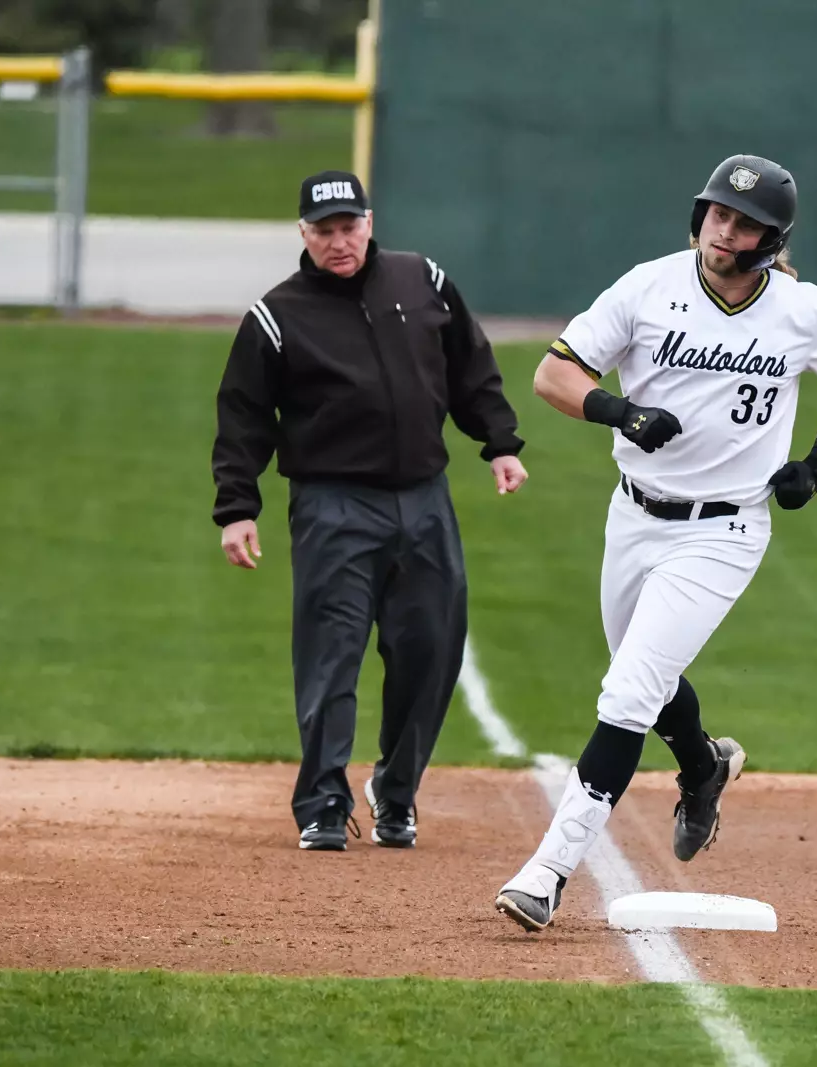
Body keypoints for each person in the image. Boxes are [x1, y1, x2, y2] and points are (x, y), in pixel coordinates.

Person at [494, 154, 817, 931]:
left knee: (629, 692)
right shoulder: (649, 286)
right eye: (716, 212)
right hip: (634, 515)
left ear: (770, 240)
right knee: (642, 669)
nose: (722, 229)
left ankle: (547, 871)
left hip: (726, 528)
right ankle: (704, 764)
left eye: (742, 223)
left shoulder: (801, 310)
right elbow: (551, 374)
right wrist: (619, 411)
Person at [212, 170, 528, 852]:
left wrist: (499, 442)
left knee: (429, 650)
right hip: (332, 505)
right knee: (332, 655)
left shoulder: (424, 282)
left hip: (424, 498)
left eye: (349, 226)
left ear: (370, 221)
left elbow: (471, 366)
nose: (339, 242)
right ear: (303, 234)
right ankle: (324, 801)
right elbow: (242, 416)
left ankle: (397, 791)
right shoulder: (278, 314)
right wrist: (237, 507)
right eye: (323, 231)